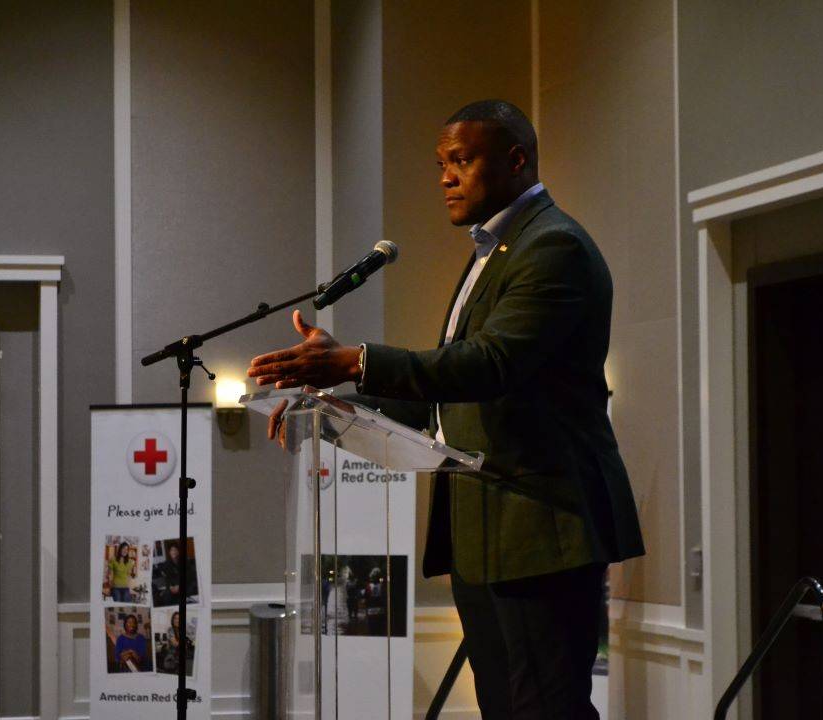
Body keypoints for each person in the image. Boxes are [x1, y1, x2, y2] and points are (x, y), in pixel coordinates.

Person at [248, 99, 645, 719]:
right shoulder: (493, 249)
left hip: (543, 524)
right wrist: (328, 401)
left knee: (546, 709)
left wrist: (355, 360)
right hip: (485, 525)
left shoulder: (552, 245)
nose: (444, 177)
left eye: (460, 160)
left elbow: (492, 364)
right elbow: (444, 393)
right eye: (440, 163)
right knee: (505, 709)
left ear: (515, 160)